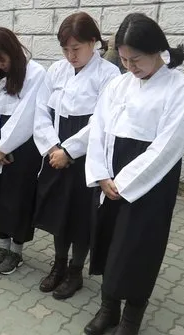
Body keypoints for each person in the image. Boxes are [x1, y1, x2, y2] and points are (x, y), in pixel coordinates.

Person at [83, 13, 184, 335]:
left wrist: (125, 182)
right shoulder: (118, 84)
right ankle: (109, 308)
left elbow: (169, 145)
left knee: (137, 248)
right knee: (108, 240)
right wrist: (102, 173)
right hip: (110, 173)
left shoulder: (181, 88)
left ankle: (132, 320)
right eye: (123, 59)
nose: (129, 66)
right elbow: (99, 127)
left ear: (158, 51)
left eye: (136, 59)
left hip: (150, 181)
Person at [33, 12, 120, 299]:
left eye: (77, 48)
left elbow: (102, 121)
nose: (71, 55)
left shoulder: (109, 74)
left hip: (86, 153)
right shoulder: (56, 70)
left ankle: (75, 270)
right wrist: (52, 148)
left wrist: (69, 151)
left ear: (93, 42)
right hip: (55, 149)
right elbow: (40, 111)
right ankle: (58, 265)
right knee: (60, 212)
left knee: (81, 216)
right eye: (66, 49)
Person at [0, 28, 45, 275]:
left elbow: (27, 114)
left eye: (1, 59)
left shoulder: (36, 73)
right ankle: (2, 245)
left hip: (22, 146)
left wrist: (5, 146)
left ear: (14, 52)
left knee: (19, 200)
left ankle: (16, 251)